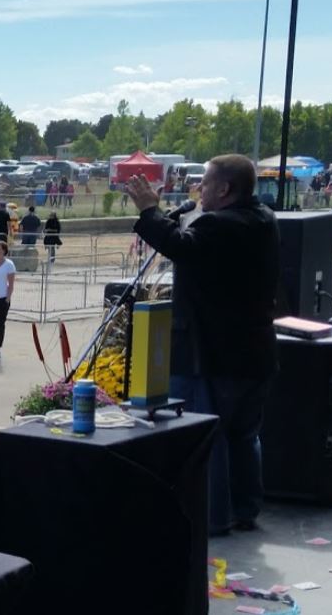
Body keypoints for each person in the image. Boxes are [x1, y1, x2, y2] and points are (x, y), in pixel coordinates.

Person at [125, 155, 278, 536]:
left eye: (205, 183)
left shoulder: (221, 224)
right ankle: (245, 508)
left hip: (214, 356)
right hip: (254, 354)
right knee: (244, 436)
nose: (199, 190)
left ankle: (213, 517)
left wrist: (149, 211)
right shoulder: (262, 218)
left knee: (209, 436)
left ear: (225, 189)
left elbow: (181, 246)